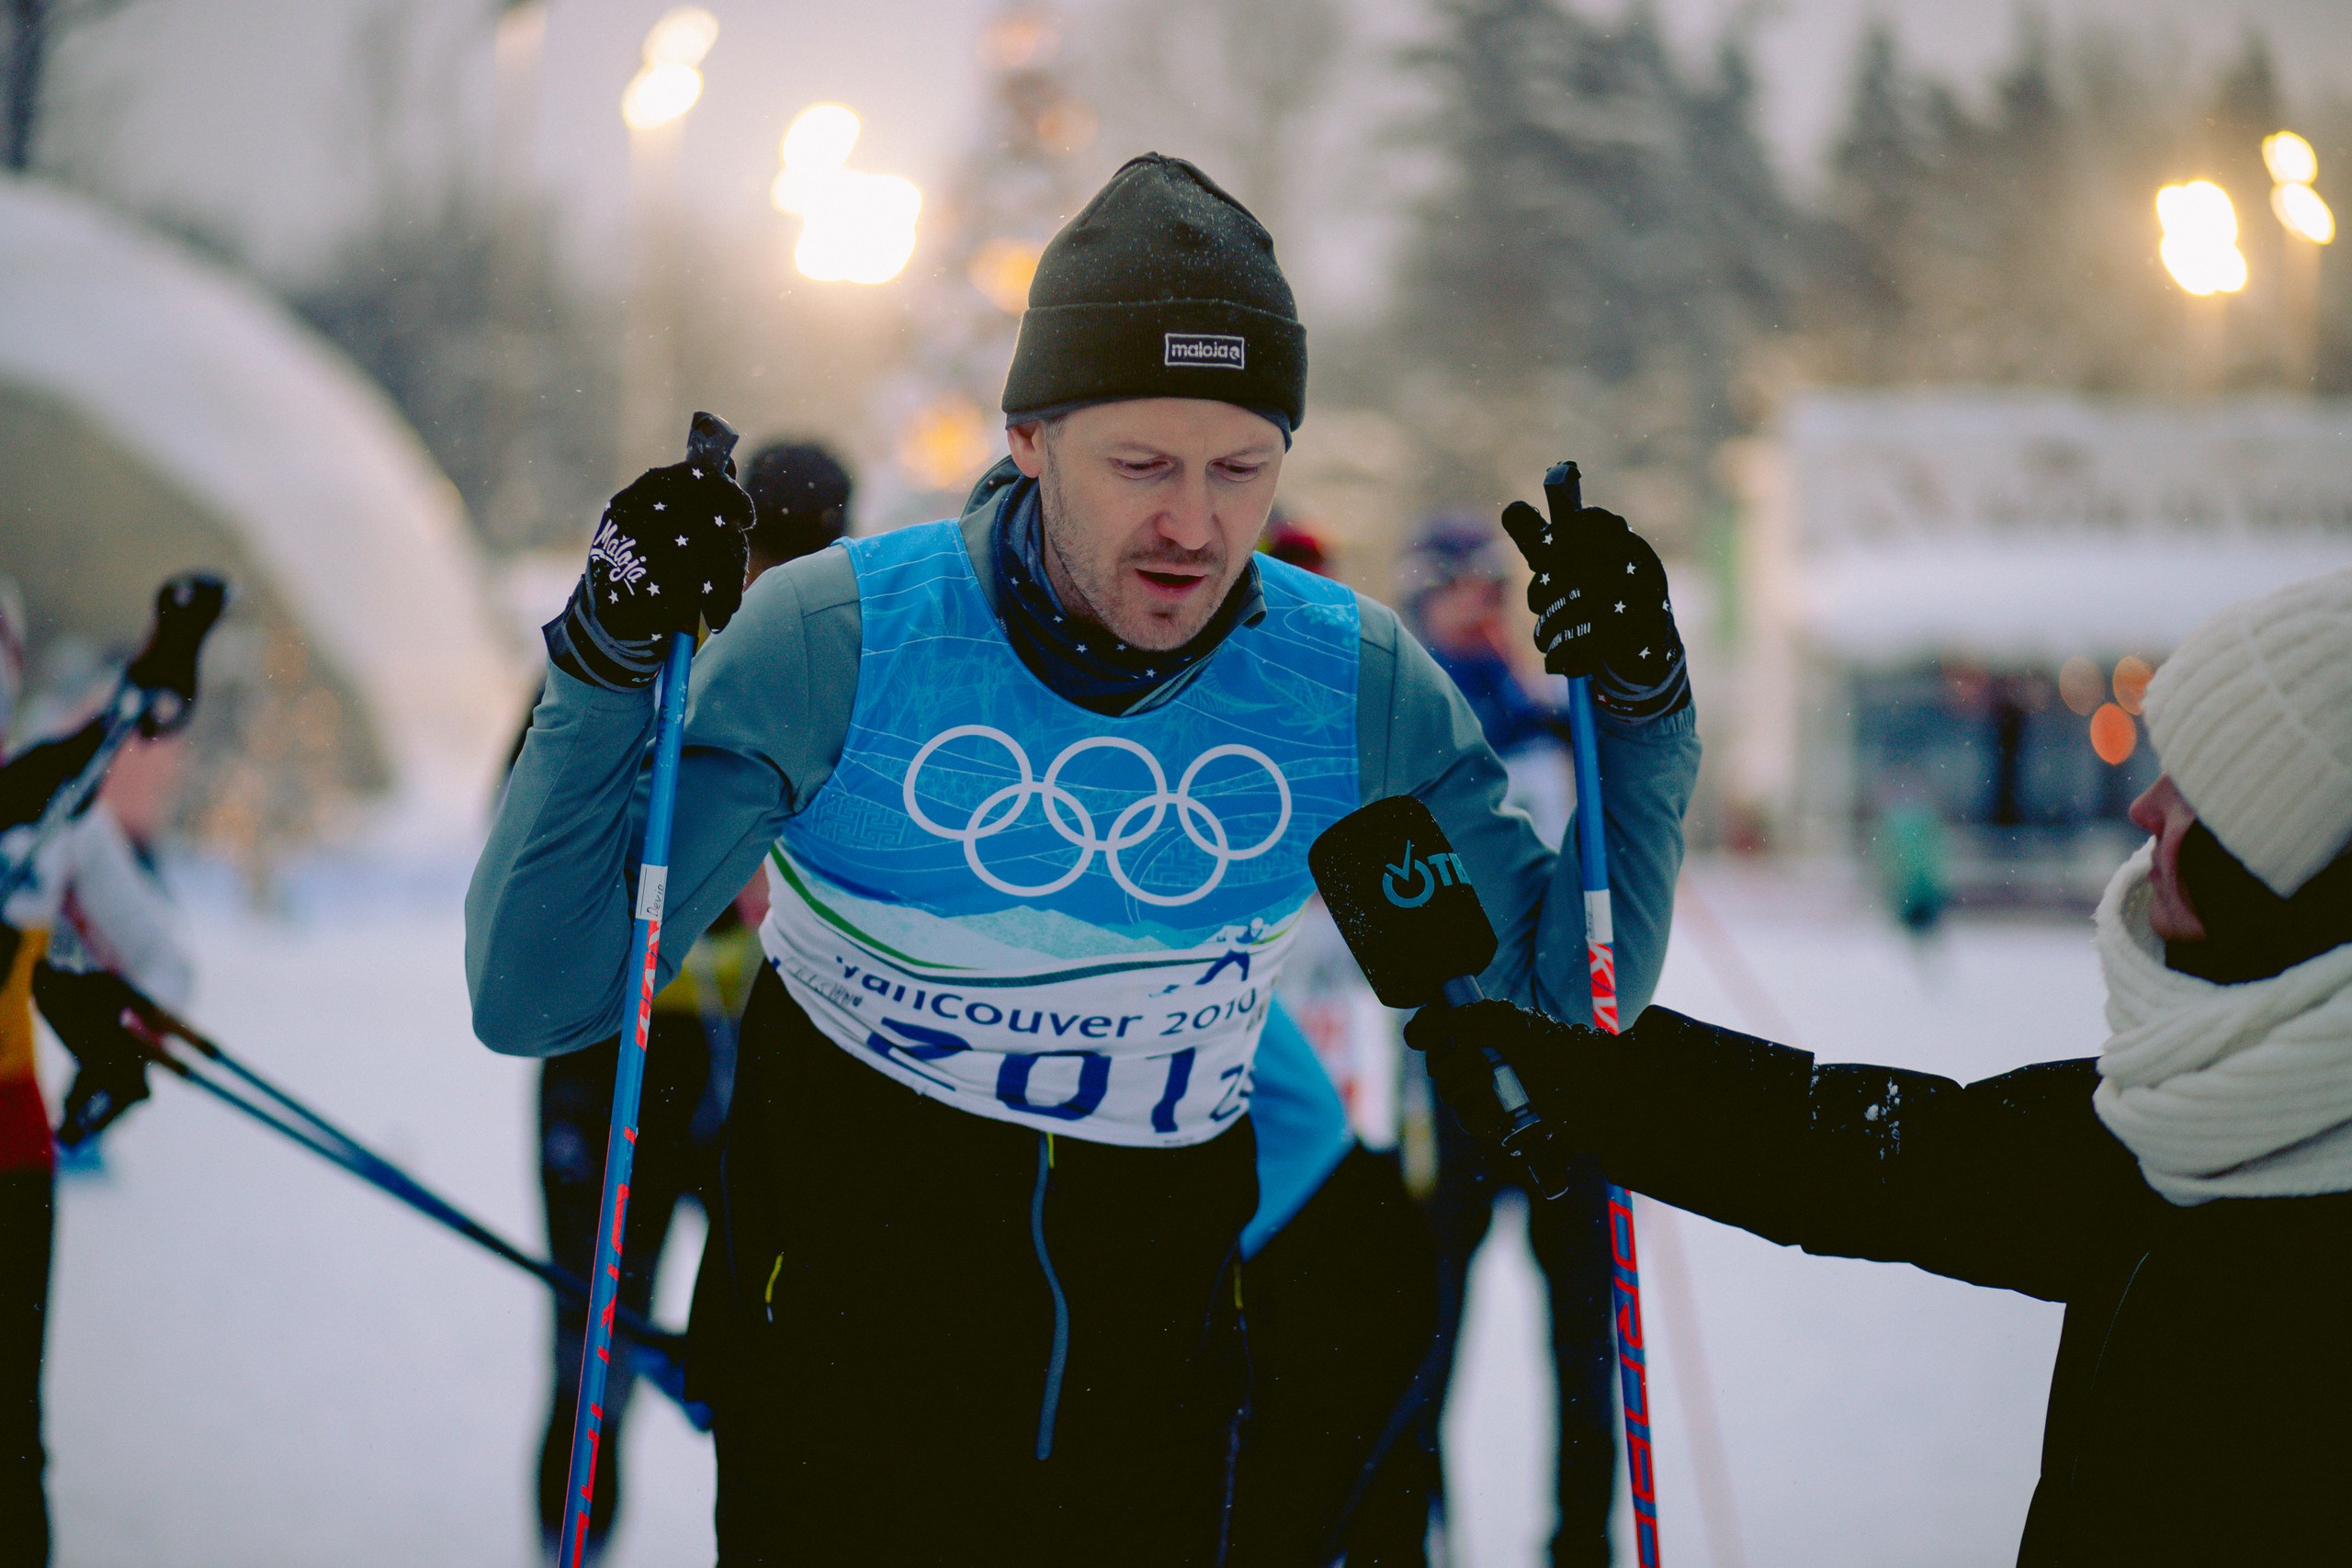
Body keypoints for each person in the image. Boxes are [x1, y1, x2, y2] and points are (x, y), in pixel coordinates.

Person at [467, 152, 1700, 1564]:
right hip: (838, 1416)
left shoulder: (1342, 685)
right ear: (1031, 436)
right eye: (1143, 465)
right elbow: (542, 993)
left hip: (1148, 1426)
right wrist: (608, 665)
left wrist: (1642, 713)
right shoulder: (842, 640)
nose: (1194, 524)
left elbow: (1560, 1011)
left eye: (1242, 467)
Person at [1412, 567, 2352, 1566]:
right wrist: (1591, 1078)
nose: (2146, 805)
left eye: (2199, 790)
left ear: (2283, 865)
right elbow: (1878, 1159)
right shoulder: (2196, 1118)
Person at [526, 437, 854, 1562]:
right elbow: (532, 826)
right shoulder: (668, 630)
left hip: (770, 1057)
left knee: (778, 1346)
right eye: (776, 551)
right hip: (619, 1051)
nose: (785, 578)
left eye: (812, 554)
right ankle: (574, 1532)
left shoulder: (837, 662)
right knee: (589, 1343)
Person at [1374, 513, 1623, 1567]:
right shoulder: (1411, 718)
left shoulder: (1545, 715)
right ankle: (1412, 1533)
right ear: (1425, 603)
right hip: (1454, 1072)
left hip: (1567, 1066)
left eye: (1494, 591)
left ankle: (1581, 1542)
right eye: (1463, 592)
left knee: (1582, 1337)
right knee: (1423, 1332)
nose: (1485, 610)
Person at [0, 636, 200, 1568]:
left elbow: (161, 959)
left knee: (9, 1445)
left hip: (12, 1158)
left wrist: (115, 1034)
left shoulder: (56, 806)